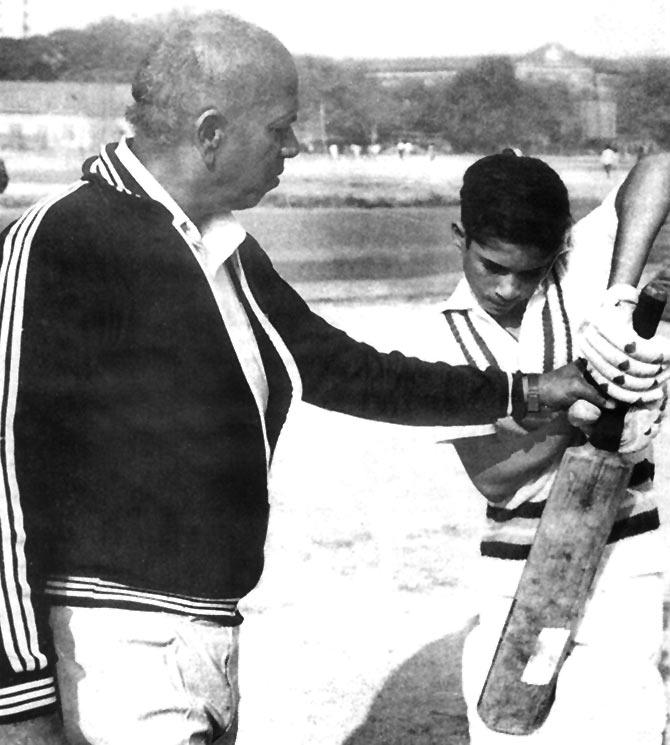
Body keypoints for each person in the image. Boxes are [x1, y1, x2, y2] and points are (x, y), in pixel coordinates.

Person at [0, 14, 608, 745]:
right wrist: (21, 697)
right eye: (281, 128)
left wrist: (527, 390)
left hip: (209, 631)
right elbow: (3, 476)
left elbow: (344, 369)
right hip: (106, 650)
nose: (296, 145)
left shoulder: (222, 243)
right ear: (211, 131)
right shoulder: (61, 236)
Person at [433, 151, 670, 744]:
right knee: (509, 727)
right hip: (517, 573)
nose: (509, 288)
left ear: (559, 249)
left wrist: (619, 293)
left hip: (625, 558)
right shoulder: (436, 333)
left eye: (530, 271)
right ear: (461, 236)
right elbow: (495, 477)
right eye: (492, 266)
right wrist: (597, 403)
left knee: (626, 726)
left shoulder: (579, 263)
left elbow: (661, 166)